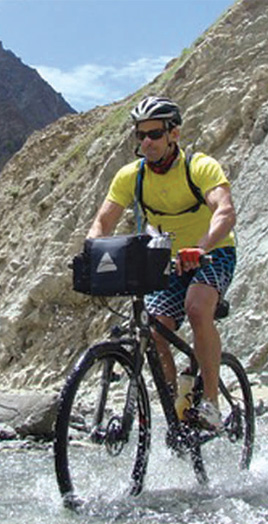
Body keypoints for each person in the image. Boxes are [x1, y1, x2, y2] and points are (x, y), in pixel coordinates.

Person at [87, 96, 237, 430]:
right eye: (139, 135)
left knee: (198, 308)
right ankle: (176, 408)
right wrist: (92, 251)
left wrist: (200, 248)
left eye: (154, 134)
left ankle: (211, 402)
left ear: (175, 134)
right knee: (154, 328)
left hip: (214, 252)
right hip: (166, 259)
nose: (146, 142)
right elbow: (103, 221)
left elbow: (225, 212)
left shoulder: (199, 166)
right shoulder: (131, 176)